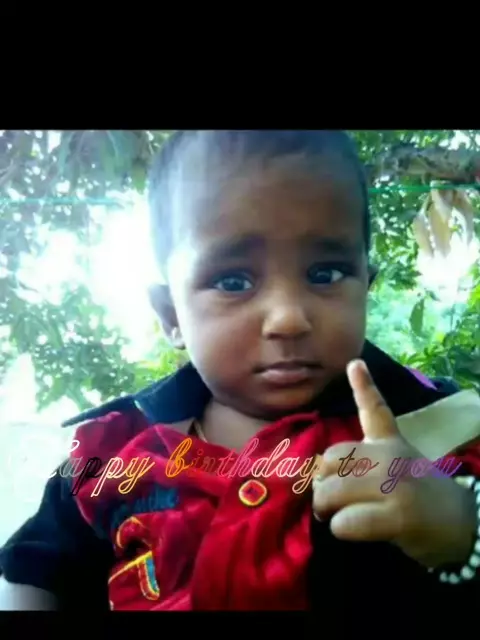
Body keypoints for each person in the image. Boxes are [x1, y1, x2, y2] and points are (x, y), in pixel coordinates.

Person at [1, 130, 480, 618]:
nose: (288, 318)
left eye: (326, 274)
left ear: (366, 287)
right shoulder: (113, 451)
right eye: (233, 281)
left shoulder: (438, 429)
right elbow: (34, 570)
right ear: (171, 315)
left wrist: (460, 523)